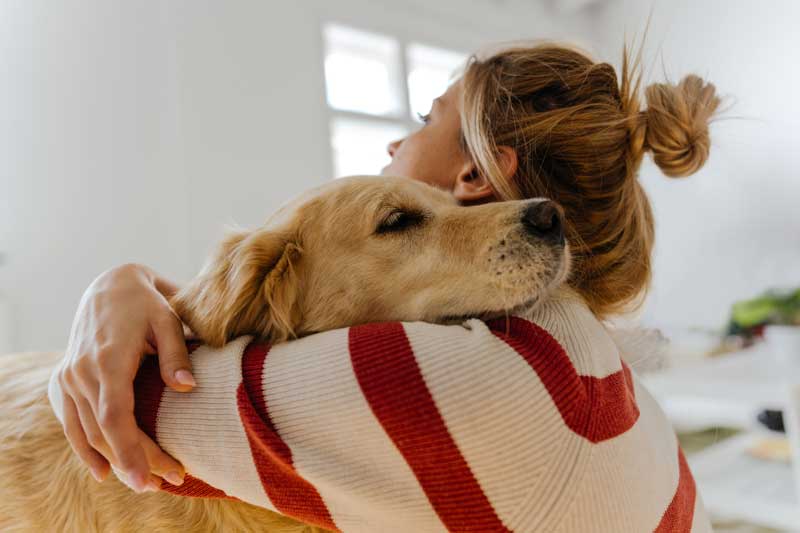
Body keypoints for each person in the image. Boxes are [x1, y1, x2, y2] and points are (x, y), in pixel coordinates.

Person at [52, 42, 720, 531]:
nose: (395, 142)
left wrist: (108, 300)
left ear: (474, 177)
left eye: (426, 118)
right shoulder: (595, 371)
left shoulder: (460, 382)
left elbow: (120, 416)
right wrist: (137, 286)